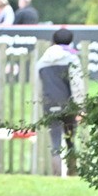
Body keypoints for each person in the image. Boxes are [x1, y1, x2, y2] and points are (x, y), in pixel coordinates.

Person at [35, 28, 86, 176]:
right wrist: (81, 107)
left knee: (55, 142)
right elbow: (77, 86)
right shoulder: (72, 59)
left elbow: (38, 87)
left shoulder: (42, 62)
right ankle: (72, 171)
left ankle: (56, 174)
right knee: (70, 139)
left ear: (54, 41)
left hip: (49, 105)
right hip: (69, 105)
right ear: (70, 41)